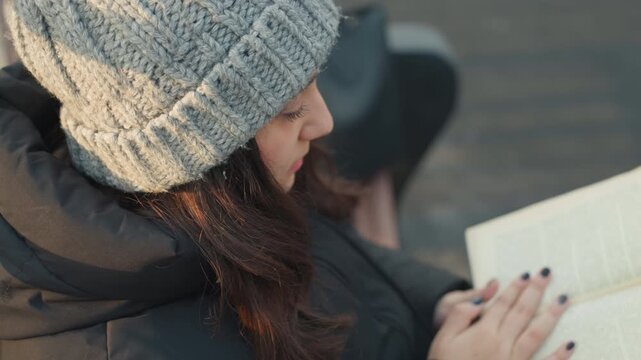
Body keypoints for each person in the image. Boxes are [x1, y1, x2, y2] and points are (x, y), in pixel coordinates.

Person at [0, 0, 574, 359]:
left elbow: (328, 251)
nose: (323, 122)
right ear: (191, 151)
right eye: (285, 110)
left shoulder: (229, 200)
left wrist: (436, 303)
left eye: (314, 83)